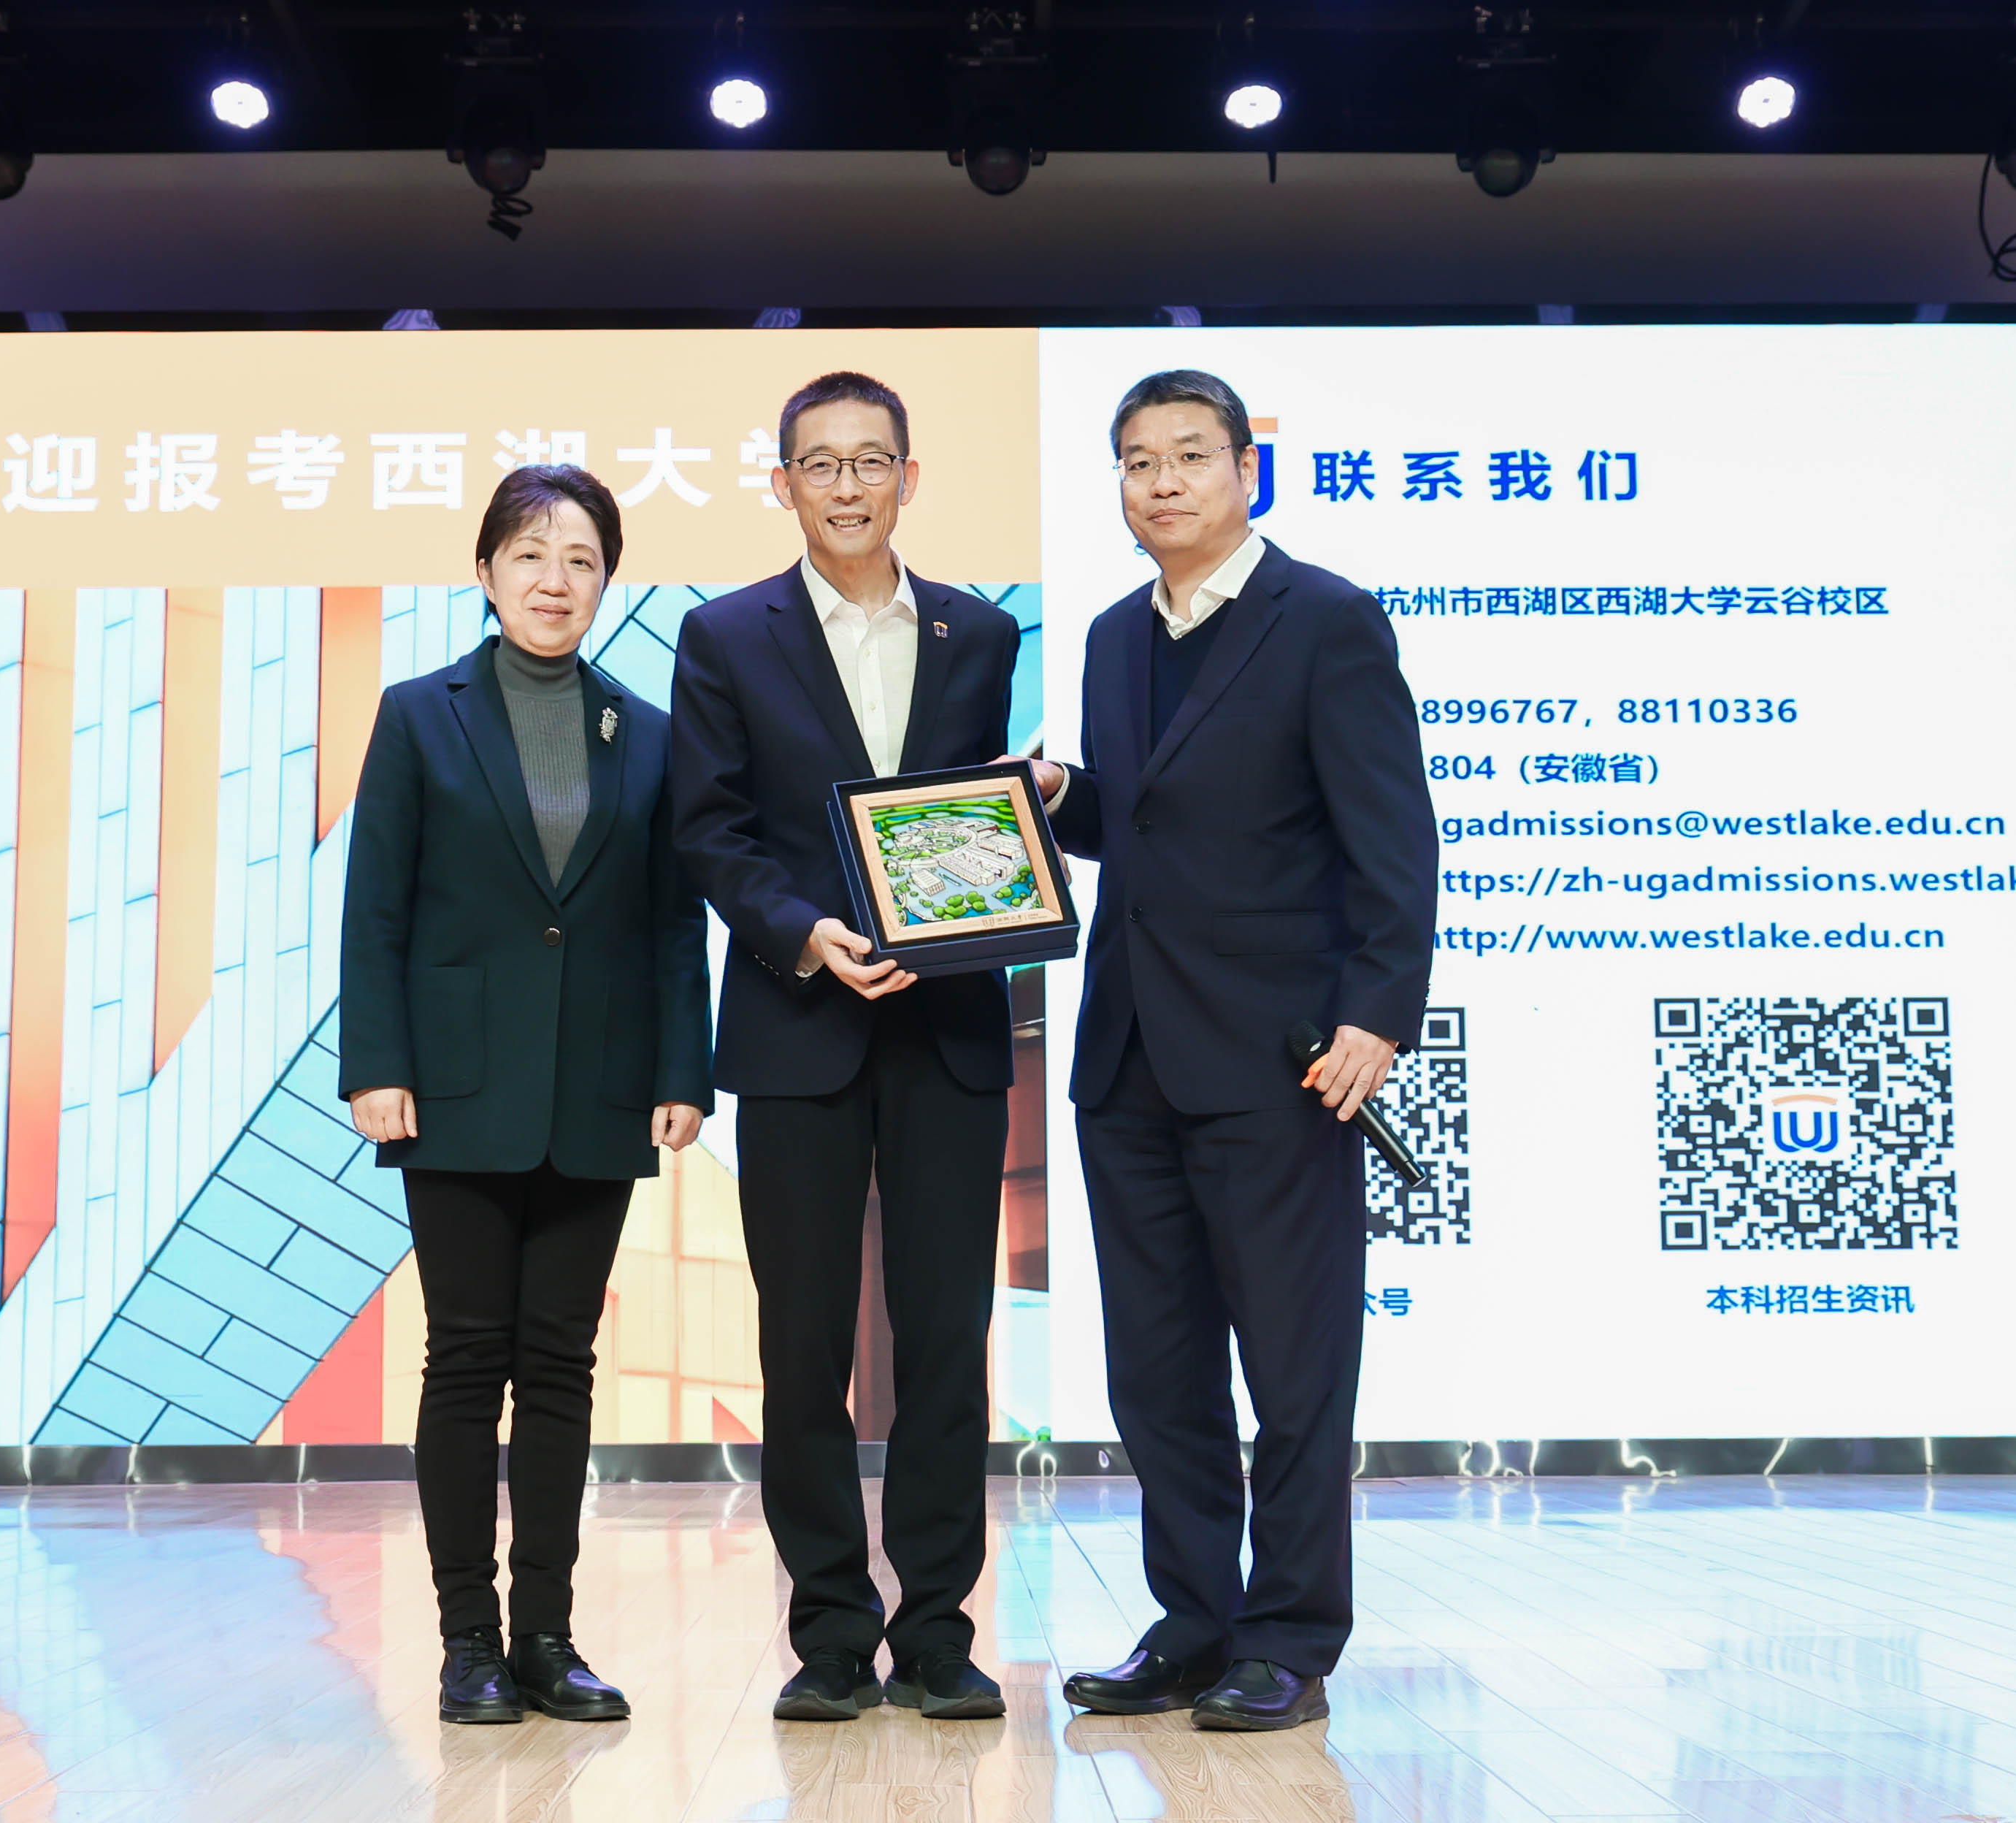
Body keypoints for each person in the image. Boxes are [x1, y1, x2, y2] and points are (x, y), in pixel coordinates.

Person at [1028, 370, 1436, 1732]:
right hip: (1129, 1057)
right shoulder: (1111, 636)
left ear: (1246, 470)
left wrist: (1378, 1013)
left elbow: (1393, 835)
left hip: (1280, 1059)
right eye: (1137, 461)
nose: (1161, 483)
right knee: (1159, 1373)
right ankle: (1195, 1625)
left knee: (1295, 1368)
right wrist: (1062, 798)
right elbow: (1146, 820)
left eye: (1189, 457)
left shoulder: (1325, 619)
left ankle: (1292, 1638)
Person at [337, 465, 712, 1727]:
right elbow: (376, 906)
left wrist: (682, 1069)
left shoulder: (646, 731)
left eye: (583, 560)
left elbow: (674, 922)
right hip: (454, 1087)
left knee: (561, 1364)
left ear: (608, 581)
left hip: (599, 1088)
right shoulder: (419, 714)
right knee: (465, 1358)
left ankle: (547, 1637)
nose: (557, 581)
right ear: (487, 572)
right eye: (532, 555)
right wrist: (376, 1065)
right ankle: (468, 1643)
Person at [671, 372, 1021, 1722]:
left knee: (945, 1340)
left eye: (872, 461)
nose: (848, 485)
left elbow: (980, 826)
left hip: (947, 1029)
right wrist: (806, 935)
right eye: (821, 464)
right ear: (784, 485)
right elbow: (711, 831)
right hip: (799, 1022)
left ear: (909, 479)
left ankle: (935, 1630)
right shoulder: (725, 635)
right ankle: (828, 1629)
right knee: (803, 1343)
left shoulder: (979, 631)